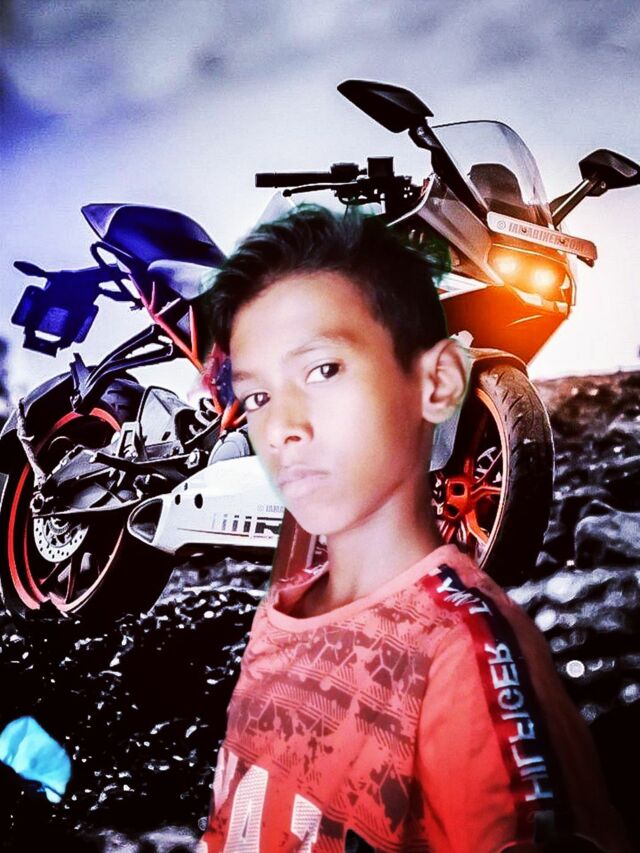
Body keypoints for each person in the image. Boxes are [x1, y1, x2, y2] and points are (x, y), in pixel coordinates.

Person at [196, 206, 629, 852]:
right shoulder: (276, 626)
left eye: (324, 370)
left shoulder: (463, 656)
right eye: (259, 396)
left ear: (436, 381)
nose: (282, 427)